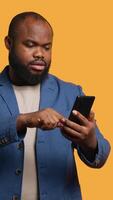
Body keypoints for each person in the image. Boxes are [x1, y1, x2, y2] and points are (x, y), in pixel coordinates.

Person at [0, 11, 110, 200]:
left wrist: (89, 139)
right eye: (30, 45)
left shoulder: (70, 93)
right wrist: (23, 121)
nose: (40, 54)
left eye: (47, 47)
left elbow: (101, 155)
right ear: (8, 43)